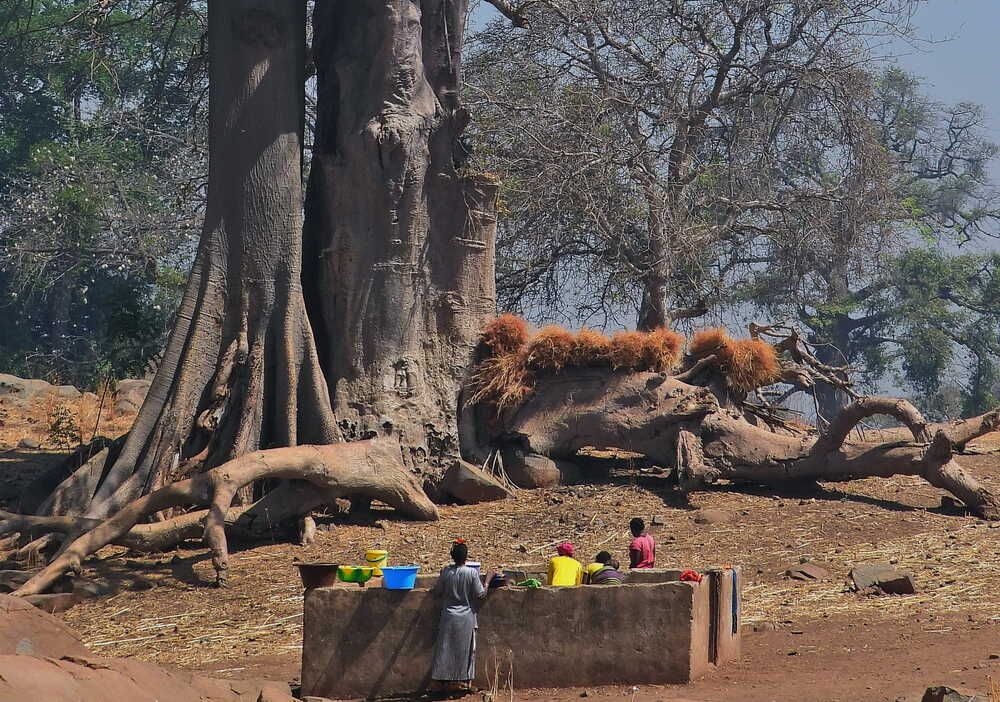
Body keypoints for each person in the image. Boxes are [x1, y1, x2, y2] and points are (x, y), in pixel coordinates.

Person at [431, 540, 490, 694]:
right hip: (466, 618)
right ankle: (464, 682)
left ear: (452, 556)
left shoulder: (446, 572)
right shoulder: (471, 573)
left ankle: (441, 683)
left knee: (445, 649)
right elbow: (481, 594)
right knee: (467, 650)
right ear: (466, 557)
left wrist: (441, 576)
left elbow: (437, 592)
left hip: (448, 617)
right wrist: (488, 581)